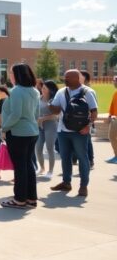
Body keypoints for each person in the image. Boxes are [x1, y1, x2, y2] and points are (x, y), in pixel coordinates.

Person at [48, 69, 98, 197]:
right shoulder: (61, 91)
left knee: (82, 158)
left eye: (67, 78)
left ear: (77, 79)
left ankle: (83, 186)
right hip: (63, 131)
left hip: (80, 131)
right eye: (65, 77)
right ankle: (66, 183)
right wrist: (51, 104)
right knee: (65, 158)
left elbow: (94, 112)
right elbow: (55, 110)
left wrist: (88, 126)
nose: (65, 80)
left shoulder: (88, 92)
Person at [0, 63, 40, 209]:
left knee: (20, 167)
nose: (10, 75)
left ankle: (20, 199)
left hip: (18, 132)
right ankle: (31, 197)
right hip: (32, 131)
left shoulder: (16, 91)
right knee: (28, 165)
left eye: (11, 73)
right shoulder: (34, 91)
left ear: (17, 75)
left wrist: (4, 128)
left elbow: (16, 114)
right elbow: (36, 114)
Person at [36, 80, 59, 178]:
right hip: (39, 126)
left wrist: (43, 118)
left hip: (51, 126)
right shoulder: (38, 98)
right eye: (42, 87)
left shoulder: (54, 100)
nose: (42, 89)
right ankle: (41, 168)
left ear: (50, 90)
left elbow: (56, 116)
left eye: (45, 88)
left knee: (50, 148)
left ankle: (50, 171)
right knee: (38, 148)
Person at [108, 75, 117, 164]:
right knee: (111, 136)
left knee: (112, 137)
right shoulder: (115, 93)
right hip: (114, 118)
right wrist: (110, 115)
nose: (113, 82)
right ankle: (116, 156)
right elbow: (113, 105)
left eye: (114, 80)